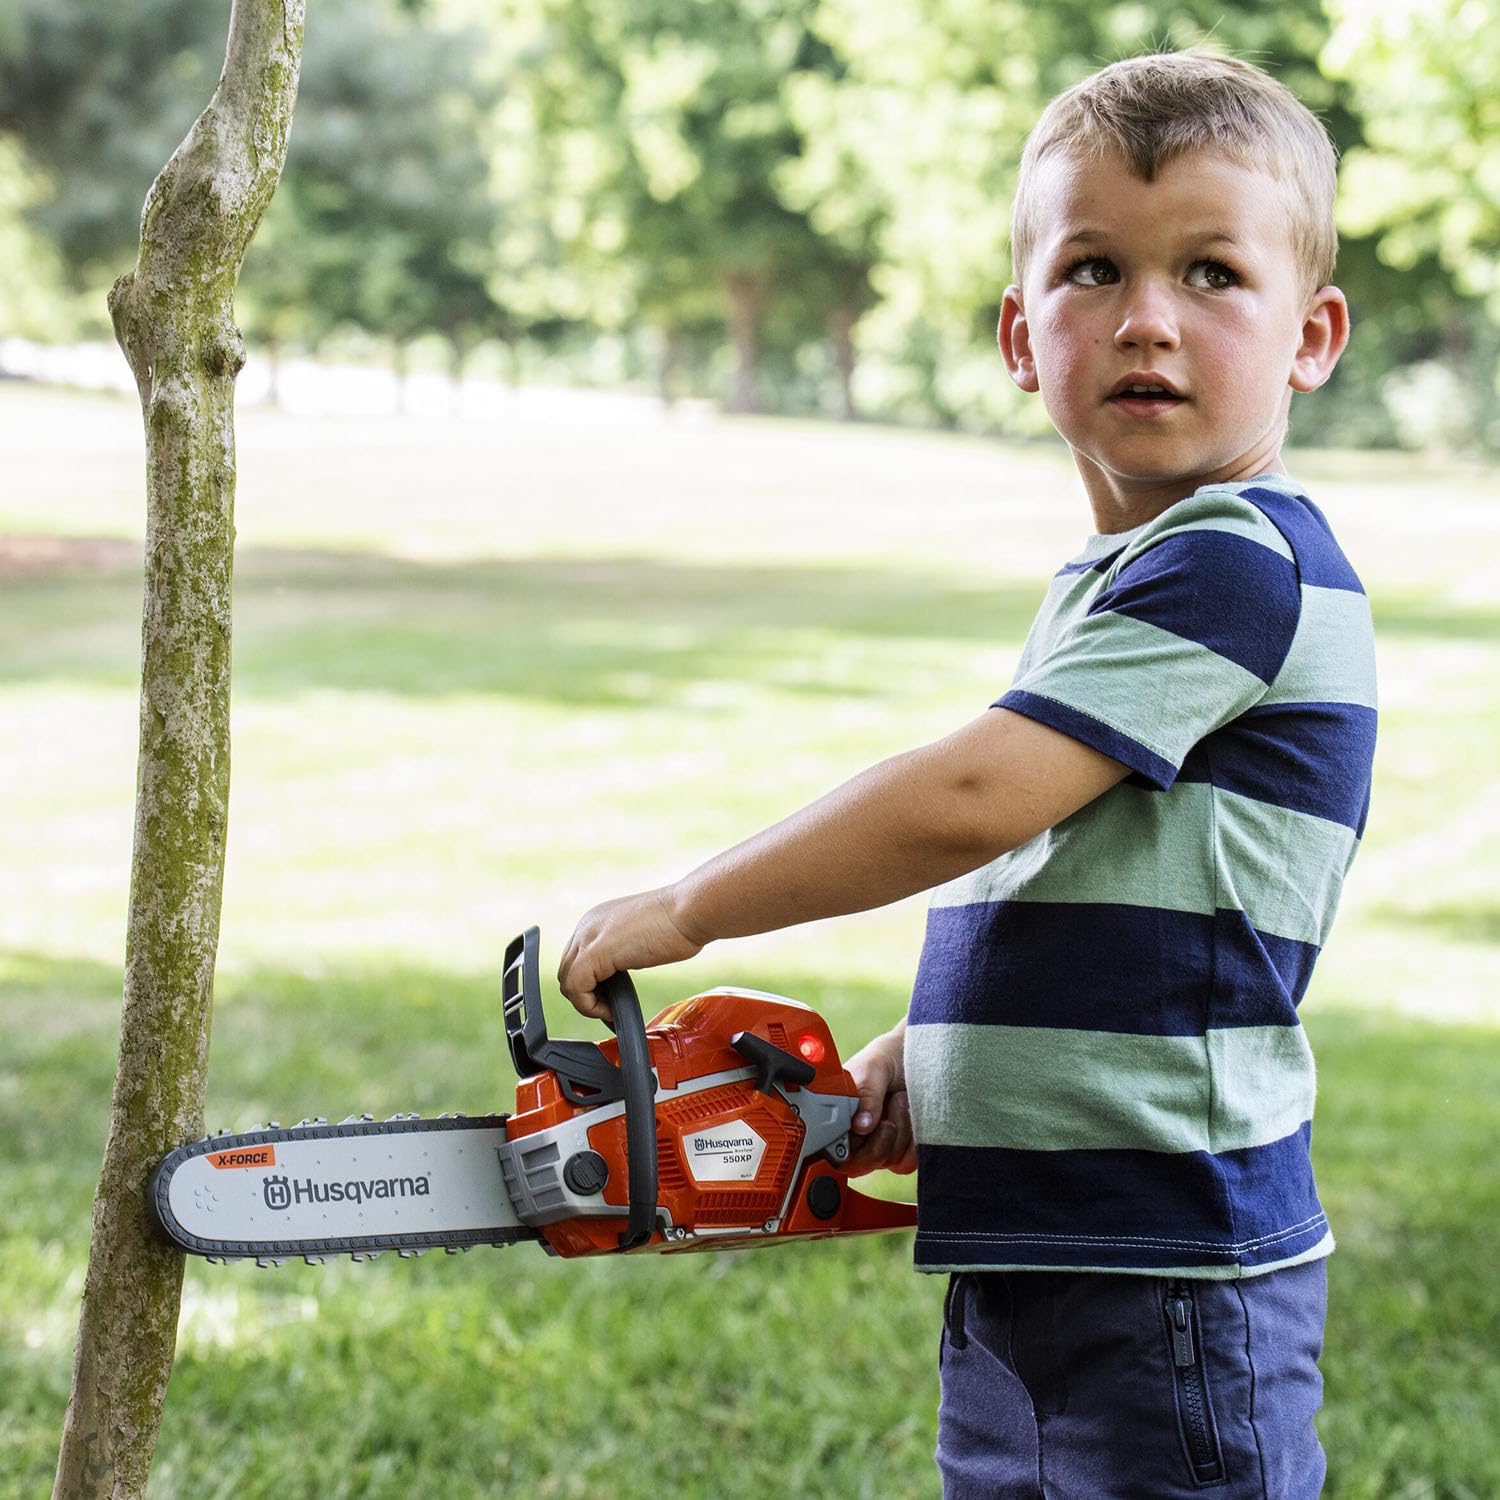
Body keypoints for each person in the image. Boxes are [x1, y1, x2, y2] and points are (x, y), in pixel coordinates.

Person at [556, 46, 1375, 1500]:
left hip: (1170, 1264)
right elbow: (1072, 869)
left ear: (1310, 336)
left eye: (1211, 274)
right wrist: (930, 1054)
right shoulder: (1124, 578)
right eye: (1093, 270)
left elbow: (970, 804)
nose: (1146, 319)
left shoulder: (1238, 564)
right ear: (1019, 333)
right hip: (1052, 1242)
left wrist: (694, 906)